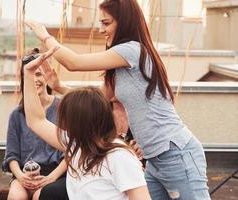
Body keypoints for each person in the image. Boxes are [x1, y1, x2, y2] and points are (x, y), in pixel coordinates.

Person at [26, 0, 210, 199]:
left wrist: (44, 36)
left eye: (106, 23)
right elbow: (94, 102)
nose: (100, 29)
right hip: (153, 159)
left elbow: (74, 62)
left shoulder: (133, 51)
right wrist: (59, 87)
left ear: (124, 22)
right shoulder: (122, 67)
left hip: (176, 152)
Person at [22, 48, 150, 200]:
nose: (62, 122)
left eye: (65, 117)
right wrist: (28, 74)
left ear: (79, 121)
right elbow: (36, 121)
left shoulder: (119, 157)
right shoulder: (77, 145)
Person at [2, 48, 68, 200]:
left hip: (55, 174)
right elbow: (11, 156)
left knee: (41, 196)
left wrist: (50, 178)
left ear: (47, 76)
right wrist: (20, 176)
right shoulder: (16, 115)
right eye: (29, 75)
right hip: (25, 174)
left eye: (38, 74)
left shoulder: (63, 108)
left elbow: (71, 153)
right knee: (16, 197)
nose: (34, 80)